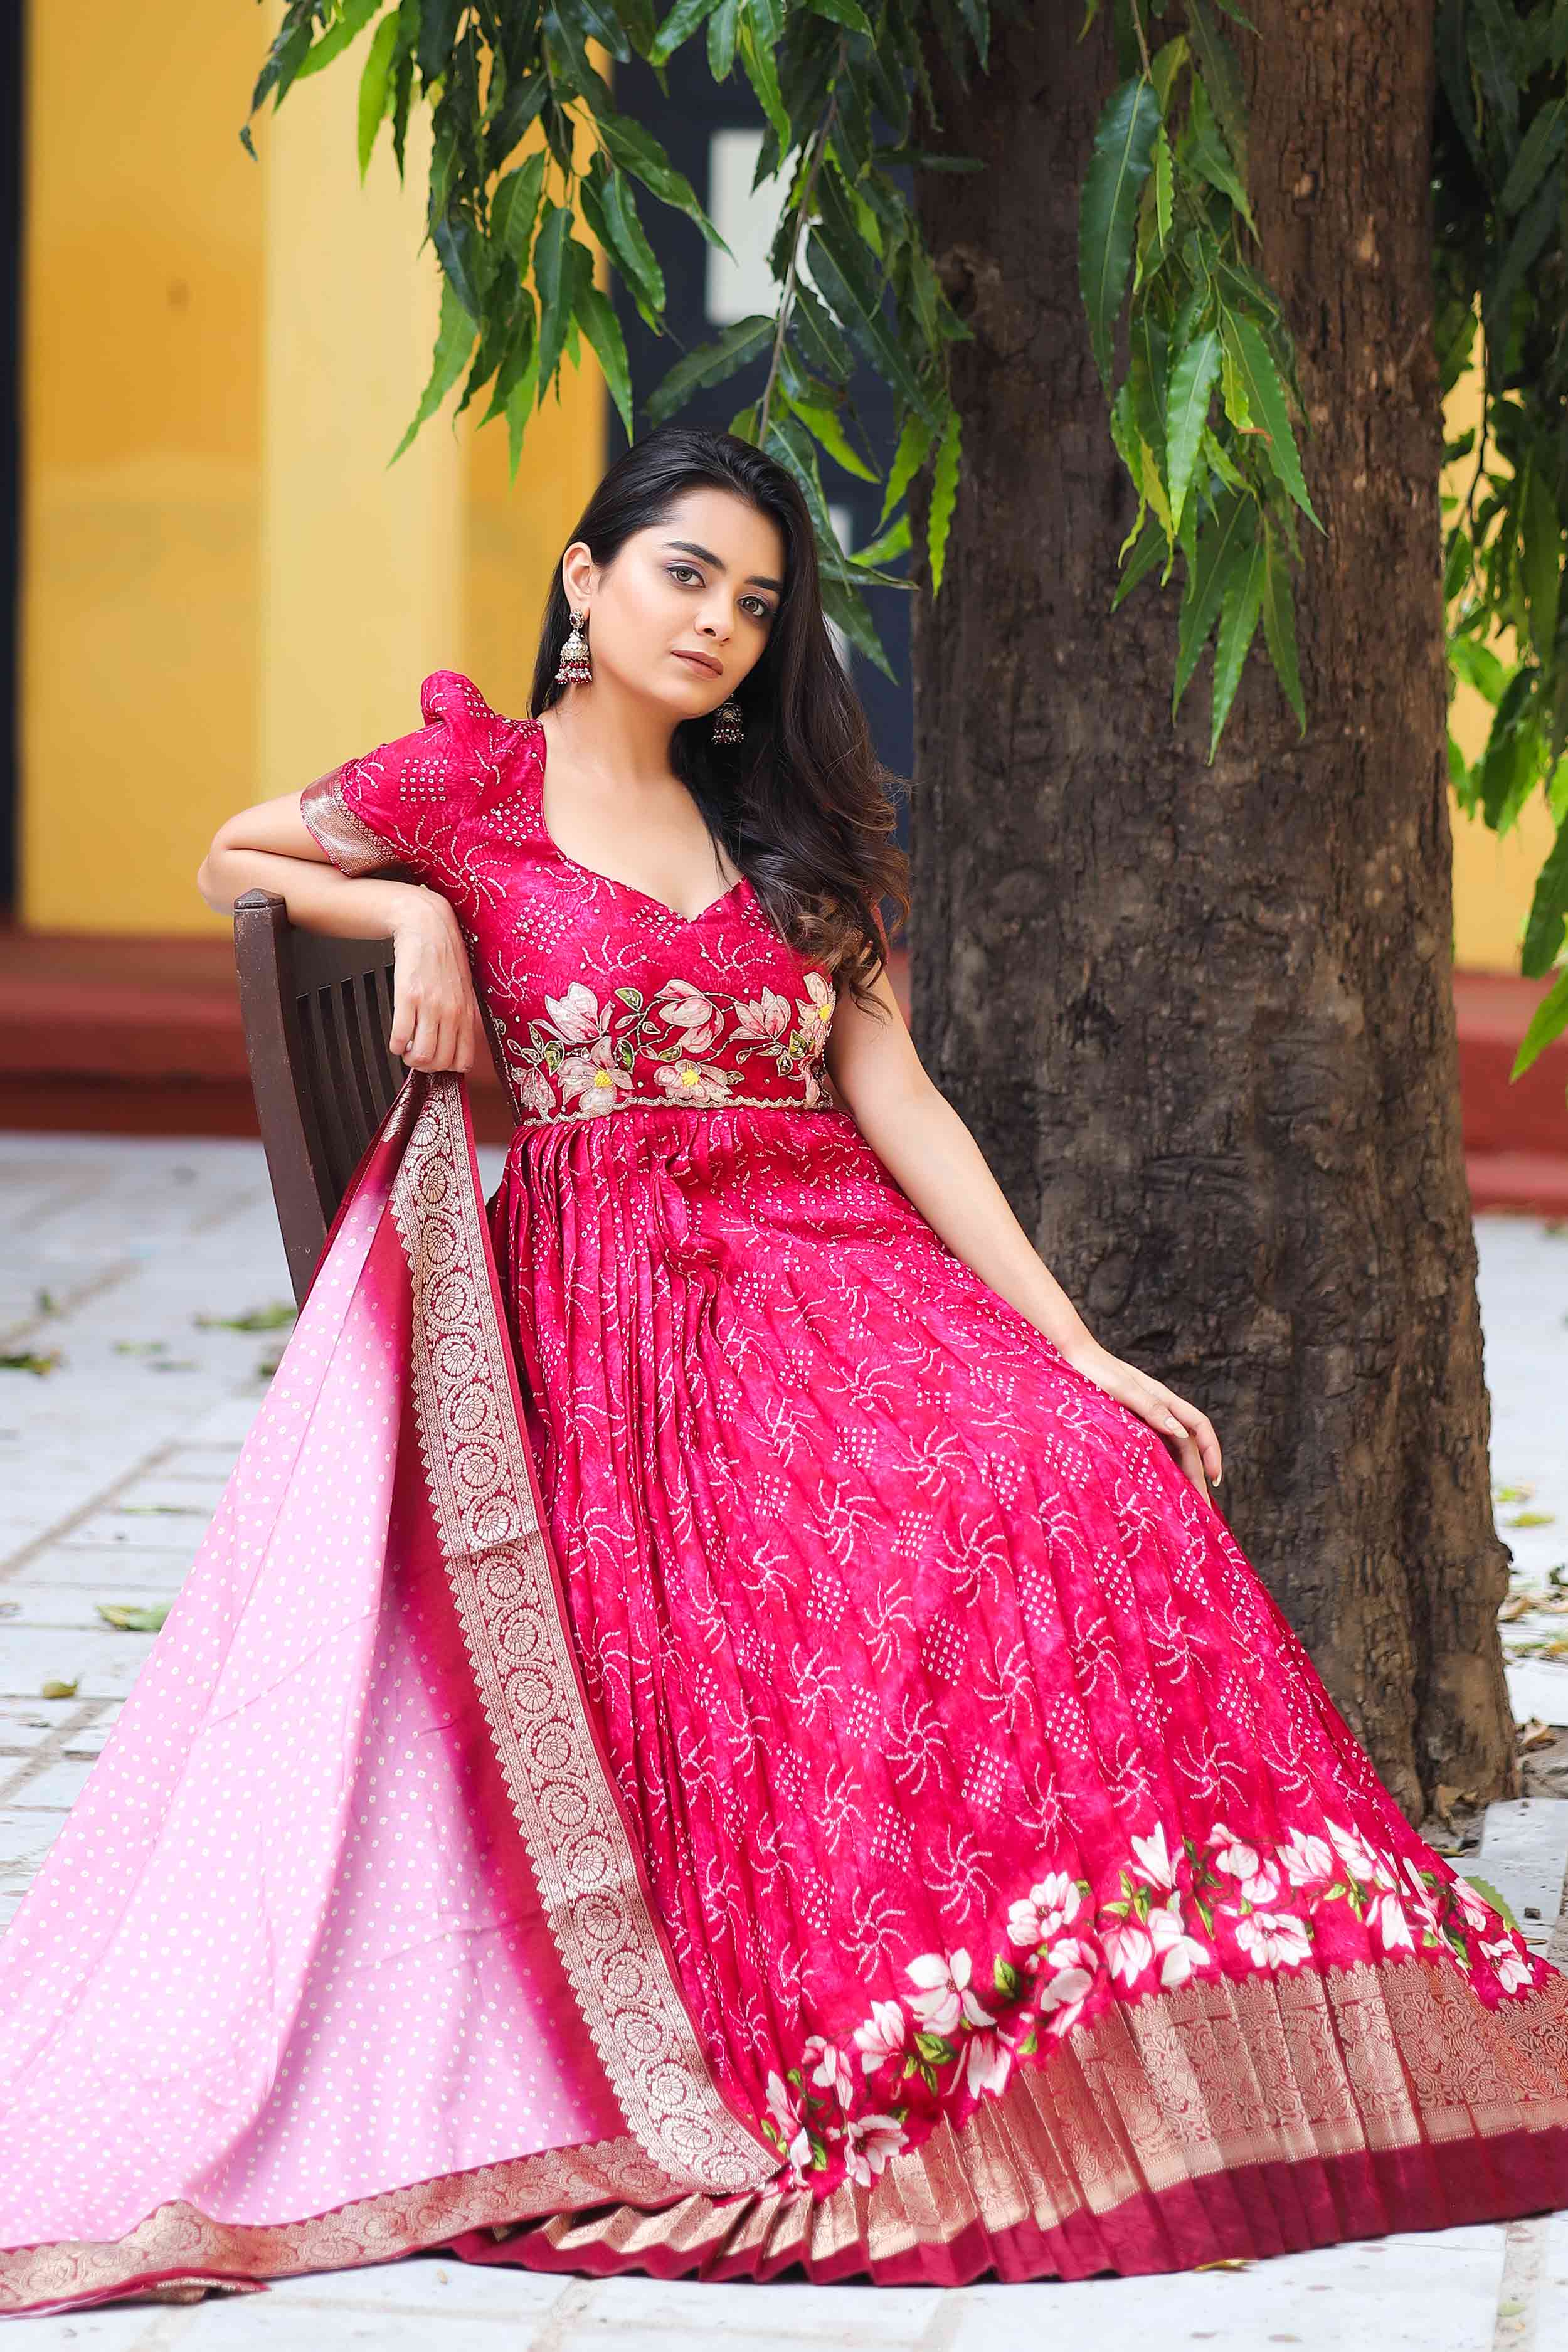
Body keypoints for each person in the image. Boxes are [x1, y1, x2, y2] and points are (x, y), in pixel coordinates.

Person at [3, 424, 1568, 2321]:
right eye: (682, 576)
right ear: (584, 582)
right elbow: (231, 851)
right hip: (624, 1315)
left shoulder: (778, 831)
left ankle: (1103, 1986)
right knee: (918, 1526)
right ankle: (901, 2027)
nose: (719, 626)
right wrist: (410, 905)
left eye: (754, 603)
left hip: (828, 1264)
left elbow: (889, 1090)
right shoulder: (469, 786)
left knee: (1068, 1467)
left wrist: (1067, 1340)